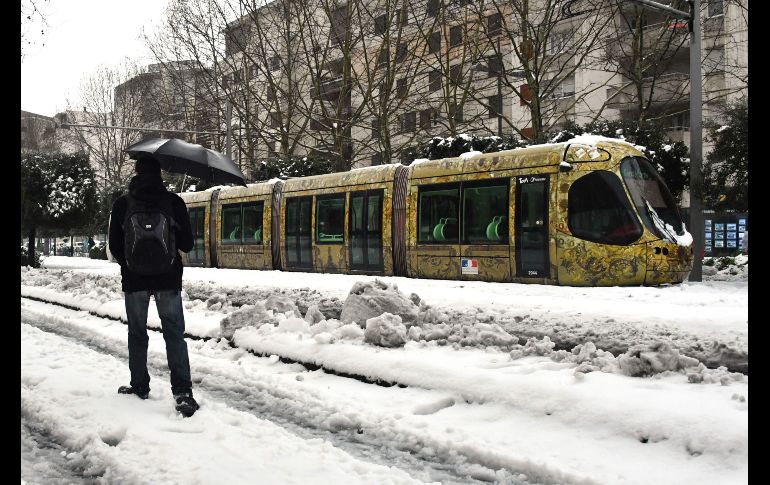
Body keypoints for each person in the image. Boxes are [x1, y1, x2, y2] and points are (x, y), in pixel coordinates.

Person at [108, 156, 199, 417]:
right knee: (174, 334)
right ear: (160, 174)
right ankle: (182, 391)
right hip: (168, 279)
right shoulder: (174, 202)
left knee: (137, 333)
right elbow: (187, 245)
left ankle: (140, 385)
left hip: (134, 280)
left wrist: (130, 265)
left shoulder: (123, 203)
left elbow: (115, 246)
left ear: (136, 173)